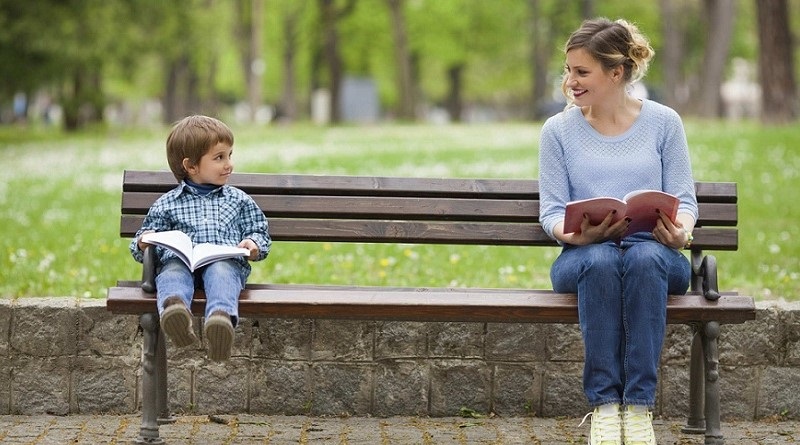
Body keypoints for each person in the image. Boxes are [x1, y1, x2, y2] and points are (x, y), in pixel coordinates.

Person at [538, 18, 698, 445]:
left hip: (657, 252)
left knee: (643, 259)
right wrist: (573, 235)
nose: (570, 81)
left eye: (581, 71)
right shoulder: (557, 131)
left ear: (616, 72)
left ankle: (640, 408)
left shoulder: (664, 122)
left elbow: (685, 199)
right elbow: (551, 210)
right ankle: (606, 408)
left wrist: (680, 234)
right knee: (602, 259)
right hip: (583, 257)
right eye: (568, 70)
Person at [130, 115, 271, 362]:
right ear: (191, 166)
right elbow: (141, 244)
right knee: (171, 272)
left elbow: (259, 230)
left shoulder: (238, 199)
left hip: (223, 261)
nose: (229, 164)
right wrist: (144, 241)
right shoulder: (166, 204)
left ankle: (220, 321)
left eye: (229, 155)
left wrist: (253, 244)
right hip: (181, 262)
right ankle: (175, 313)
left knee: (222, 273)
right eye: (219, 157)